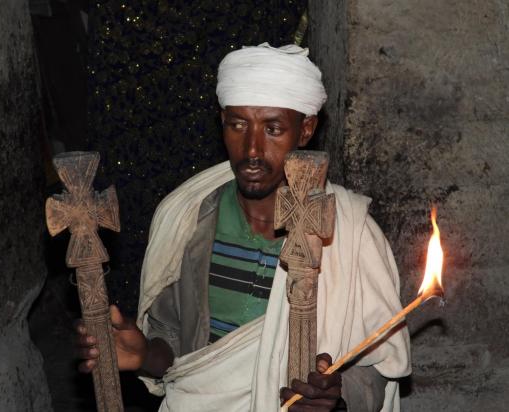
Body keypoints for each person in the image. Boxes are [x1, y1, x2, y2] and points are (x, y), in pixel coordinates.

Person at [77, 43, 411, 412]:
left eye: (273, 129)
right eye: (238, 125)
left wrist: (336, 398)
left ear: (306, 130)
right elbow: (175, 344)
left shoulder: (351, 233)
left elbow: (378, 367)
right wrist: (143, 355)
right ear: (222, 123)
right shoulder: (189, 217)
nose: (252, 149)